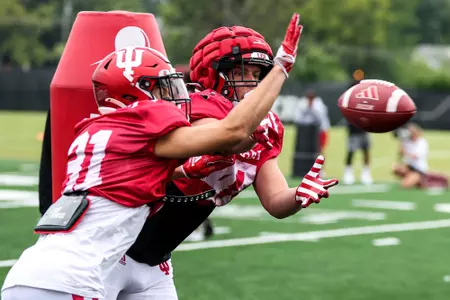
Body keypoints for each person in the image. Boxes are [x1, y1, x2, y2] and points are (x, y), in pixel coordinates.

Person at [2, 13, 302, 299]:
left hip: (47, 270)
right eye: (163, 88)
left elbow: (132, 176)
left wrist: (188, 171)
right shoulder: (144, 126)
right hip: (74, 277)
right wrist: (281, 66)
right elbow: (232, 132)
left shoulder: (97, 130)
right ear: (133, 94)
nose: (176, 96)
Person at [103, 21, 339, 300]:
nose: (251, 81)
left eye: (256, 73)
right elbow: (225, 135)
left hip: (156, 262)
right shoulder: (199, 104)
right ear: (215, 72)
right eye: (243, 72)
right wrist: (279, 73)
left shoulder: (265, 127)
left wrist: (297, 196)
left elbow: (276, 201)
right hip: (112, 250)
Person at [392, 123, 429, 188]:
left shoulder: (422, 142)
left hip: (418, 170)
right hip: (408, 167)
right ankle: (410, 178)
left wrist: (405, 152)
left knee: (405, 185)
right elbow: (401, 155)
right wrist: (401, 142)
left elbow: (415, 156)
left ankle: (418, 180)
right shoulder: (406, 142)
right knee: (395, 168)